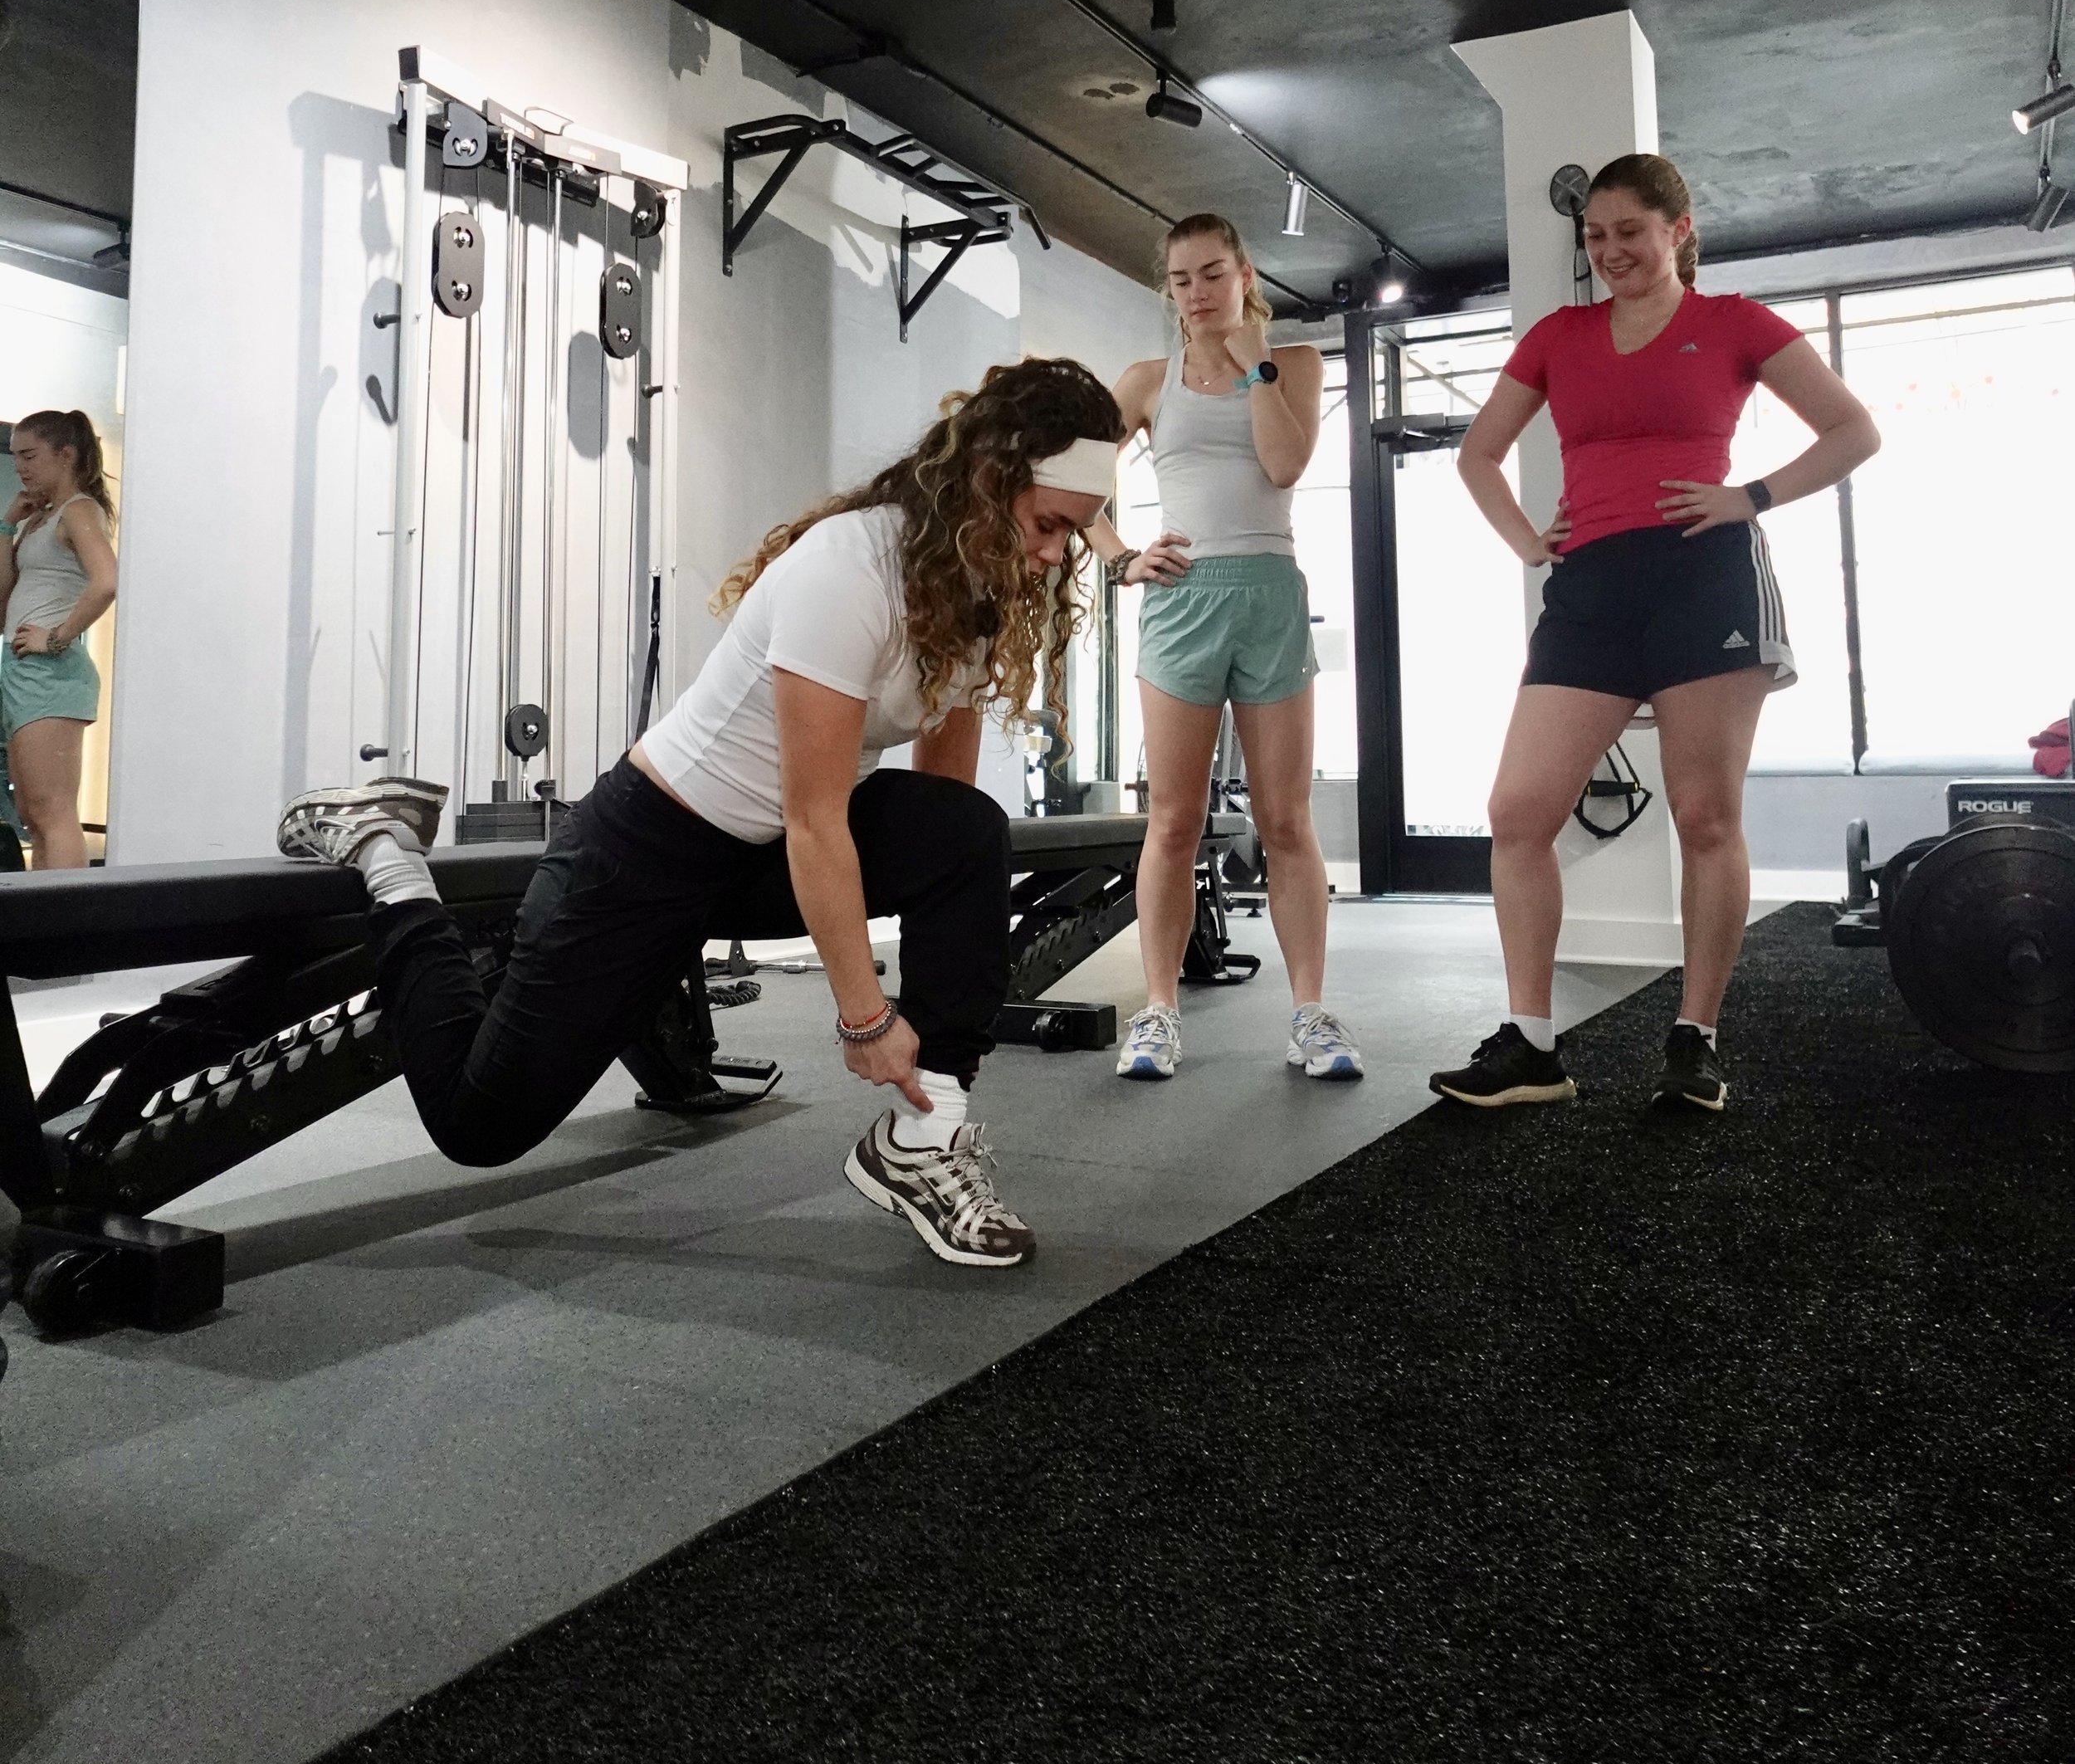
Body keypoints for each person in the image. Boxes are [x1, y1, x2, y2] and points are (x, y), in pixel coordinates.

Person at [279, 357, 1125, 1268]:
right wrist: (866, 1018)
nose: (1052, 555)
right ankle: (387, 851)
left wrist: (937, 1021)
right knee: (478, 1127)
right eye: (1047, 527)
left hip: (756, 858)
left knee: (966, 831)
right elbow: (814, 819)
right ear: (990, 482)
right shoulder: (851, 568)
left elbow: (939, 806)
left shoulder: (981, 594)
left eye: (1069, 540)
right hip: (643, 855)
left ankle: (925, 1141)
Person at [1431, 152, 1879, 1115]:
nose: (1609, 251)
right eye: (1595, 236)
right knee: (1517, 811)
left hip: (1702, 577)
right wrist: (1527, 542)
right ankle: (1533, 1045)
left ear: (1678, 228)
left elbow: (1853, 430)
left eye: (1628, 231)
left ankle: (1694, 1037)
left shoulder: (1735, 324)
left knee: (1705, 817)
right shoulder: (1560, 334)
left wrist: (1748, 496)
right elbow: (1477, 454)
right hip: (1589, 588)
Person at [1086, 210, 1362, 1084]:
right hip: (1181, 598)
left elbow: (1283, 467)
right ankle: (1159, 1013)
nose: (1196, 294)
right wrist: (1123, 558)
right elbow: (1067, 484)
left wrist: (1252, 365)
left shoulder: (1297, 364)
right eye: (1179, 280)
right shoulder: (1144, 380)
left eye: (1212, 274)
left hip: (1270, 590)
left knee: (1285, 820)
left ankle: (1310, 1015)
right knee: (1173, 820)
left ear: (1244, 274)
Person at [1, 408, 120, 871]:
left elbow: (107, 581)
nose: (21, 467)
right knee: (34, 813)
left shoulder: (80, 510)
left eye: (29, 455)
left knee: (53, 812)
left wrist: (56, 638)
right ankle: (40, 924)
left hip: (51, 671)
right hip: (25, 670)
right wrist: (8, 524)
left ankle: (65, 926)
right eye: (15, 458)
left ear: (65, 454)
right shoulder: (40, 520)